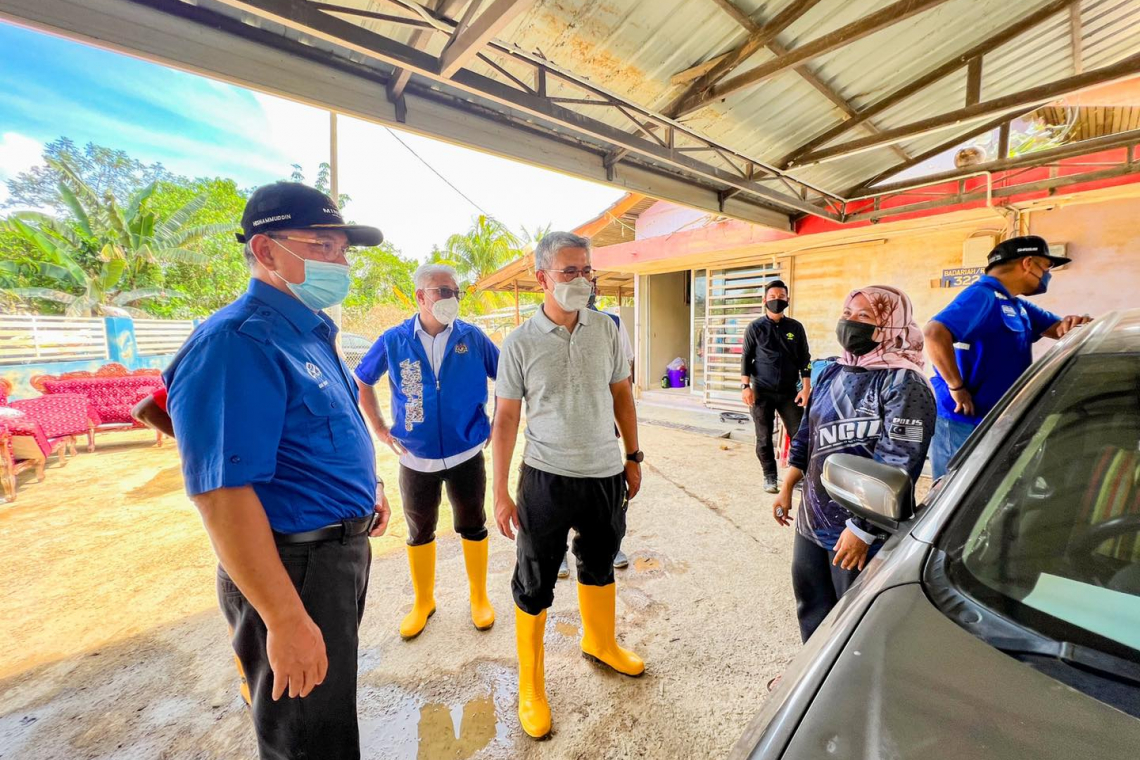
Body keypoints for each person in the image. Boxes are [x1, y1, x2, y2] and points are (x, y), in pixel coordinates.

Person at [163, 183, 390, 760]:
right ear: (266, 250)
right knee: (306, 738)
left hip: (334, 557)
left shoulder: (309, 331)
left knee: (326, 719)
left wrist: (370, 488)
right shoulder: (237, 341)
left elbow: (321, 435)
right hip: (292, 568)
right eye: (322, 246)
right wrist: (285, 619)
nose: (340, 263)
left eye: (342, 250)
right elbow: (221, 495)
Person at [491, 231, 644, 739]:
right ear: (543, 278)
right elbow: (506, 419)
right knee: (535, 578)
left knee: (600, 562)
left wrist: (633, 456)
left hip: (604, 473)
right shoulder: (519, 342)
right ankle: (531, 685)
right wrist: (500, 491)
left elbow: (622, 396)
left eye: (586, 270)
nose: (582, 280)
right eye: (569, 271)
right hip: (546, 477)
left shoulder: (607, 330)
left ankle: (600, 642)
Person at [771, 286, 935, 642]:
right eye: (848, 314)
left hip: (860, 533)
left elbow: (899, 464)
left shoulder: (904, 383)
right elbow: (807, 435)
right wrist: (787, 486)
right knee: (812, 608)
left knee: (854, 623)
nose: (851, 323)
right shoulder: (832, 371)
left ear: (891, 325)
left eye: (864, 316)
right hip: (812, 521)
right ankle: (813, 671)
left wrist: (862, 529)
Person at [354, 263, 500, 639]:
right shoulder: (393, 339)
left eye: (456, 292)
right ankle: (423, 601)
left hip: (467, 453)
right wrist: (380, 428)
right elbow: (362, 381)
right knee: (420, 530)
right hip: (415, 457)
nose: (453, 298)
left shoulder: (472, 337)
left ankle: (479, 597)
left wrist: (497, 421)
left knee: (473, 523)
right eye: (444, 291)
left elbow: (507, 376)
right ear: (421, 296)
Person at [924, 236, 1091, 479]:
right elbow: (934, 334)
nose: (1048, 275)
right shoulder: (983, 296)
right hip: (964, 420)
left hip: (995, 418)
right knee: (953, 487)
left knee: (985, 487)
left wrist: (1077, 322)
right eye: (1047, 267)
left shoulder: (1017, 305)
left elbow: (1059, 329)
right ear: (1028, 263)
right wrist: (956, 386)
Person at [557, 282, 635, 579]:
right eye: (571, 276)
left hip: (602, 431)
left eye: (587, 279)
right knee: (560, 495)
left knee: (608, 498)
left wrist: (632, 451)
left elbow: (623, 380)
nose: (582, 286)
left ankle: (612, 547)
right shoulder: (546, 325)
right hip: (562, 433)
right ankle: (558, 552)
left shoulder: (612, 324)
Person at [741, 279, 812, 493]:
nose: (777, 300)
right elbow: (746, 358)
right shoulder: (755, 328)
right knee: (763, 437)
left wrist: (806, 388)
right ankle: (769, 476)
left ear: (787, 299)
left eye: (781, 297)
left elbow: (805, 358)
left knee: (800, 436)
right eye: (772, 297)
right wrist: (745, 386)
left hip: (790, 392)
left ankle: (798, 476)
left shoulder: (795, 327)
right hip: (761, 391)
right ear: (765, 300)